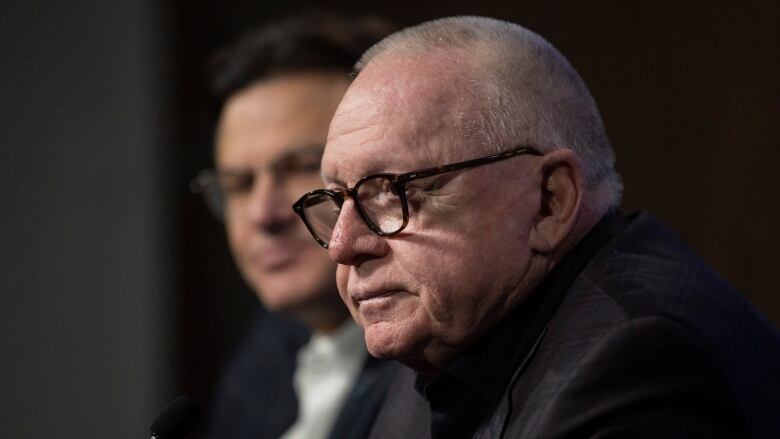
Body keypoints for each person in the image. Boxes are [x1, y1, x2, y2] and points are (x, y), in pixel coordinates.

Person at [292, 16, 780, 438]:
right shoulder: (441, 334)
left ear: (550, 201)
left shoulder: (643, 363)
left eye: (392, 191)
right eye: (337, 200)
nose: (343, 245)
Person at [191, 13, 398, 439]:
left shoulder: (440, 372)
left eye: (303, 166)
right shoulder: (263, 360)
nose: (263, 214)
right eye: (239, 184)